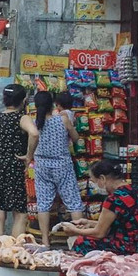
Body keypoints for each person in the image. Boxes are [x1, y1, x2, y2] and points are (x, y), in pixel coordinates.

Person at [61, 160, 138, 257]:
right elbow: (125, 224)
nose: (94, 186)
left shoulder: (114, 199)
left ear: (102, 179)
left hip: (137, 248)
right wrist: (89, 222)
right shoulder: (137, 191)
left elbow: (99, 233)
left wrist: (74, 230)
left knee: (82, 242)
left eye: (93, 181)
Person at [0, 85, 39, 236]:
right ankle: (14, 249)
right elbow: (34, 133)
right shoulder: (22, 118)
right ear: (23, 101)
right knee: (20, 213)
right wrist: (29, 155)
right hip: (14, 168)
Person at [33, 90, 85, 245]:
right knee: (73, 202)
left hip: (42, 165)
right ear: (52, 105)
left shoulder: (35, 123)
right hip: (62, 165)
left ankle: (45, 240)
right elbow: (76, 138)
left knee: (43, 203)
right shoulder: (62, 120)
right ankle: (78, 239)